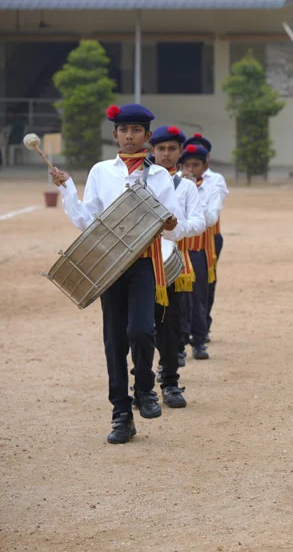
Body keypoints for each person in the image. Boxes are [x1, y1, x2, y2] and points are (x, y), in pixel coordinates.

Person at [50, 104, 183, 444]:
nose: (129, 135)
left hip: (142, 261)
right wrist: (67, 189)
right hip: (109, 265)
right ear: (115, 135)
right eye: (123, 130)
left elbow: (172, 226)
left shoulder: (160, 177)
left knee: (141, 330)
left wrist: (169, 224)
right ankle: (121, 413)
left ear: (147, 136)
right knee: (114, 341)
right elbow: (87, 221)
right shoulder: (101, 172)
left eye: (136, 130)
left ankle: (144, 388)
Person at [149, 125, 207, 408]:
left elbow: (199, 222)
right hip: (143, 263)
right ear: (153, 151)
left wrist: (174, 229)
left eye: (172, 149)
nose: (167, 154)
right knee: (140, 327)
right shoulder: (140, 181)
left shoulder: (185, 186)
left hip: (173, 265)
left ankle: (170, 382)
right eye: (161, 149)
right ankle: (143, 383)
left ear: (180, 152)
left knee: (170, 327)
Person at [183, 133, 229, 343]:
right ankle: (187, 329)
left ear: (206, 159)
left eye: (197, 161)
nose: (192, 168)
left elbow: (211, 216)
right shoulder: (178, 180)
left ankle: (202, 325)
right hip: (183, 239)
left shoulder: (215, 179)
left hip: (209, 238)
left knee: (206, 284)